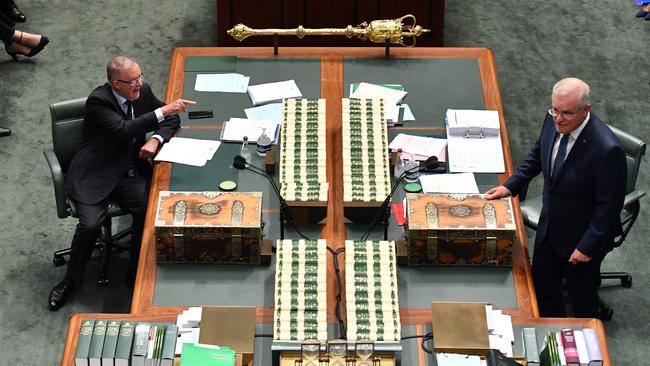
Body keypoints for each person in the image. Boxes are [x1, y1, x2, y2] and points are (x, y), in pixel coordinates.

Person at [48, 55, 196, 311]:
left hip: (127, 170)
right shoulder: (98, 102)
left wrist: (155, 140)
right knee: (91, 224)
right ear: (116, 84)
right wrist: (163, 112)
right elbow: (124, 129)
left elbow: (170, 120)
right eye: (133, 81)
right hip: (94, 173)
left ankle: (134, 273)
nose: (139, 84)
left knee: (147, 209)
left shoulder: (142, 91)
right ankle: (70, 282)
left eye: (140, 77)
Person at [486, 77, 626, 318]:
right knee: (542, 288)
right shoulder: (553, 120)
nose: (559, 119)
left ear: (586, 110)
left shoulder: (607, 150)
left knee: (581, 297)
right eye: (555, 110)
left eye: (567, 114)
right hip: (550, 225)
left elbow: (609, 207)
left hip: (582, 237)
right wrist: (510, 186)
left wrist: (586, 247)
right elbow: (538, 154)